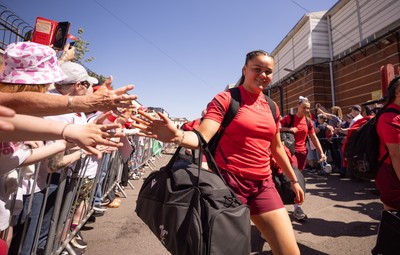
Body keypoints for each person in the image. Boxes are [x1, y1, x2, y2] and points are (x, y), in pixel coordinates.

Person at [133, 50, 304, 255]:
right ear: (245, 69)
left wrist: (293, 180)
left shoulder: (271, 106)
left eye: (268, 71)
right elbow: (202, 137)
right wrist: (176, 136)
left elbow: (276, 148)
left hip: (263, 185)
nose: (263, 75)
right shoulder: (226, 99)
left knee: (290, 252)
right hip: (228, 186)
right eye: (257, 69)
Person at [280, 96, 327, 221]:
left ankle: (295, 206)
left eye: (308, 108)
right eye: (304, 107)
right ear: (298, 106)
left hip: (302, 154)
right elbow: (275, 128)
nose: (306, 110)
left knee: (298, 180)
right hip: (291, 153)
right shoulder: (289, 118)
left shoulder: (308, 121)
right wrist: (289, 129)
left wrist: (321, 152)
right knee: (293, 179)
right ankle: (293, 208)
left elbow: (313, 137)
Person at [375, 77, 400, 211]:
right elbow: (396, 155)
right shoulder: (390, 117)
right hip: (391, 173)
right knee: (392, 217)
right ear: (398, 92)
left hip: (393, 170)